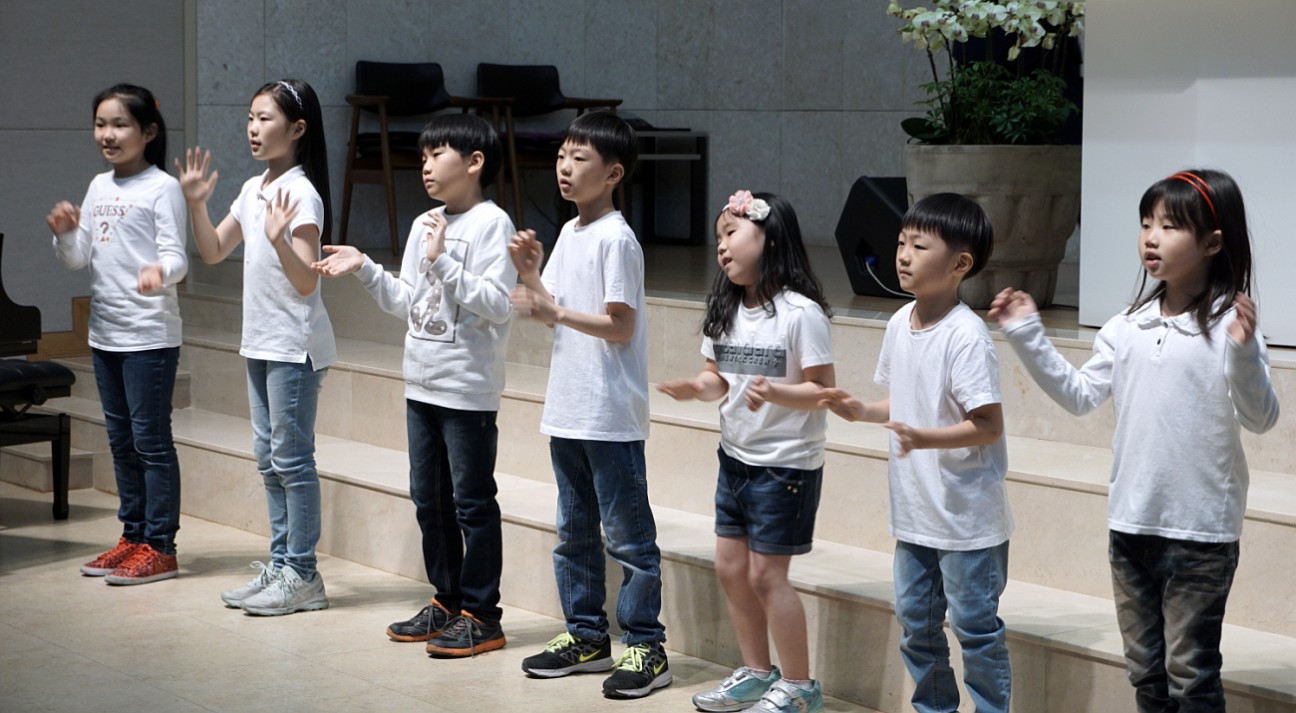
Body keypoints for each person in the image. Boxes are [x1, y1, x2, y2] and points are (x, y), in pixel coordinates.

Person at [990, 169, 1279, 712]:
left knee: (1190, 675)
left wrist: (1243, 354)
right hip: (1130, 524)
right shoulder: (1127, 325)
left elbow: (1261, 418)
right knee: (1146, 672)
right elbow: (1080, 395)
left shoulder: (1230, 328)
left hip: (1200, 533)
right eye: (1146, 223)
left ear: (1213, 243)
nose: (1151, 237)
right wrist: (1027, 333)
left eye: (1170, 226)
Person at [312, 113, 516, 656]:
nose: (425, 166)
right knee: (430, 500)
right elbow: (407, 301)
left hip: (466, 390)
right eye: (422, 156)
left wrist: (442, 261)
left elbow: (498, 306)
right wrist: (364, 267)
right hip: (422, 386)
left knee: (472, 503)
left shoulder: (493, 224)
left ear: (474, 162)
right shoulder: (426, 222)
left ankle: (483, 615)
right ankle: (447, 601)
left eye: (437, 154)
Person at [820, 192, 1013, 713]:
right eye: (902, 242)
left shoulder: (967, 336)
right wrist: (862, 410)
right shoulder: (899, 322)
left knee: (975, 628)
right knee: (916, 626)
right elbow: (904, 402)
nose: (903, 255)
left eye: (920, 246)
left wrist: (925, 438)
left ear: (960, 264)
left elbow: (988, 426)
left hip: (966, 520)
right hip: (916, 514)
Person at [509, 111, 669, 698]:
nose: (565, 167)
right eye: (562, 156)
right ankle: (586, 636)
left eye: (580, 158)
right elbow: (553, 308)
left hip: (609, 413)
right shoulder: (571, 233)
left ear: (614, 173)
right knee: (573, 531)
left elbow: (619, 326)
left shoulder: (616, 238)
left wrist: (551, 309)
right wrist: (532, 276)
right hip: (570, 407)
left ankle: (647, 645)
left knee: (628, 538)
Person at [659, 191, 833, 713]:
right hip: (734, 459)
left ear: (770, 239)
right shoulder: (727, 309)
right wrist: (697, 387)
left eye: (731, 233)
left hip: (785, 466)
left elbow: (823, 390)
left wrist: (777, 392)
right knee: (731, 568)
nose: (721, 246)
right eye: (718, 238)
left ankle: (800, 686)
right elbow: (717, 378)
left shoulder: (801, 315)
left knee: (766, 575)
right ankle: (758, 672)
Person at [177, 79, 337, 616]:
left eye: (265, 118)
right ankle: (281, 564)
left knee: (292, 459)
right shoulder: (252, 189)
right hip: (262, 342)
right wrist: (196, 205)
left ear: (297, 129)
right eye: (250, 117)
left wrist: (277, 240)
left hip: (295, 346)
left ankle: (303, 573)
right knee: (269, 460)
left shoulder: (301, 193)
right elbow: (212, 250)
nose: (252, 127)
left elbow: (308, 281)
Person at [49, 84, 187, 585]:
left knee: (151, 443)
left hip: (148, 337)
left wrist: (159, 273)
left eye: (120, 125)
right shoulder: (98, 186)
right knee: (121, 442)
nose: (107, 134)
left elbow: (178, 258)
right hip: (105, 335)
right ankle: (133, 536)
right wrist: (66, 232)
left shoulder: (162, 187)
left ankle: (161, 546)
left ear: (148, 132)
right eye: (101, 124)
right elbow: (77, 259)